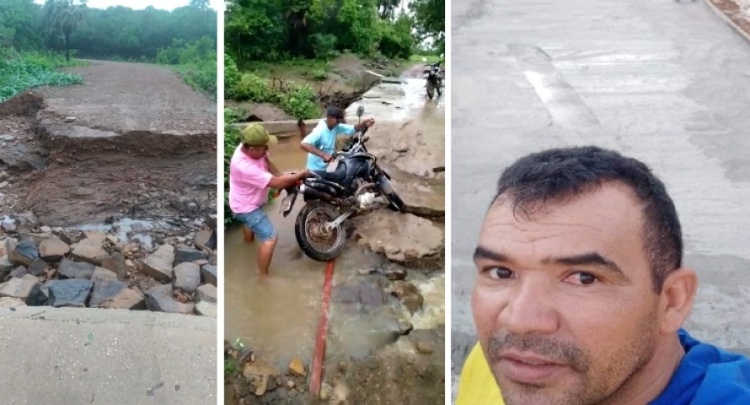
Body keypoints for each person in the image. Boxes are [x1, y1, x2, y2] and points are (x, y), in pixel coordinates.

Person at [456, 146, 750, 405]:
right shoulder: (510, 362)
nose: (519, 321)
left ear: (672, 301)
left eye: (583, 278)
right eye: (501, 272)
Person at [228, 123, 309, 276]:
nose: (267, 149)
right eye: (264, 147)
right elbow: (276, 183)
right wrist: (299, 175)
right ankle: (263, 278)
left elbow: (267, 163)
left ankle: (248, 245)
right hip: (246, 208)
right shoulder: (242, 166)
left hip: (246, 201)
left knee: (250, 224)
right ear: (252, 149)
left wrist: (283, 176)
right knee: (270, 238)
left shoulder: (251, 146)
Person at [300, 106, 375, 171]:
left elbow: (351, 129)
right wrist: (323, 155)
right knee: (334, 184)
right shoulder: (319, 131)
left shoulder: (334, 127)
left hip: (330, 162)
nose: (338, 123)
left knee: (346, 173)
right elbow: (304, 144)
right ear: (329, 117)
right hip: (317, 169)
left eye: (339, 122)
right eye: (337, 121)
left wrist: (363, 124)